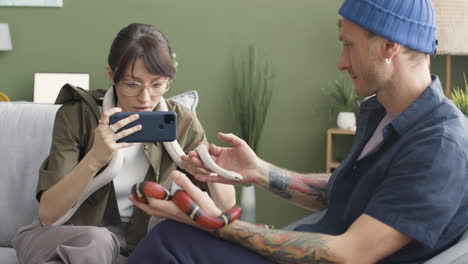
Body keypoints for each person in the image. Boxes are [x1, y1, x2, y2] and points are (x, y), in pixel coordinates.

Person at [127, 0, 468, 263]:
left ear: (390, 46)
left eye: (349, 45)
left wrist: (211, 220)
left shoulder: (439, 145)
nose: (341, 62)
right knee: (172, 237)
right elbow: (346, 191)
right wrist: (258, 171)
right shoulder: (386, 114)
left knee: (170, 243)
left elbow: (349, 254)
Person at [12, 23, 235, 263]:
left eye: (157, 84)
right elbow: (48, 215)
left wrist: (209, 172)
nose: (145, 98)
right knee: (98, 242)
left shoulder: (181, 121)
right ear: (111, 75)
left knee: (182, 238)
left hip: (139, 241)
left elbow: (226, 208)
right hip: (69, 235)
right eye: (132, 84)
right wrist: (95, 157)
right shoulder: (76, 115)